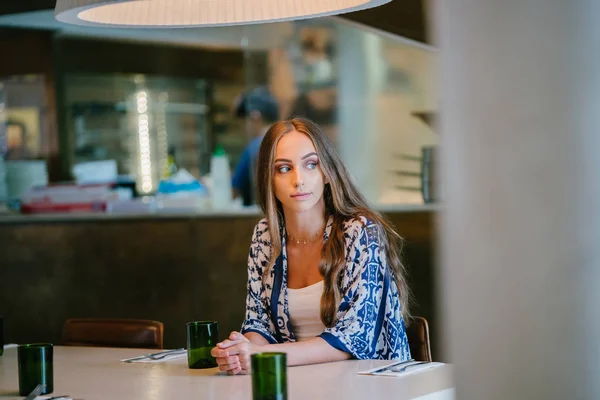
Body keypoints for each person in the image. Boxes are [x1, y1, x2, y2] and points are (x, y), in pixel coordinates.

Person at [211, 117, 412, 375]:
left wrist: (263, 355)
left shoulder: (360, 231)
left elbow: (353, 338)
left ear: (327, 173)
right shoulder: (265, 235)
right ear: (268, 179)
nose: (299, 180)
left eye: (311, 164)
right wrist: (240, 352)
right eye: (284, 169)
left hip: (369, 386)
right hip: (297, 382)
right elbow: (257, 322)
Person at [231, 87, 280, 206]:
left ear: (255, 117)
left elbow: (233, 191)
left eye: (242, 122)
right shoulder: (288, 141)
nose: (241, 129)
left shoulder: (255, 147)